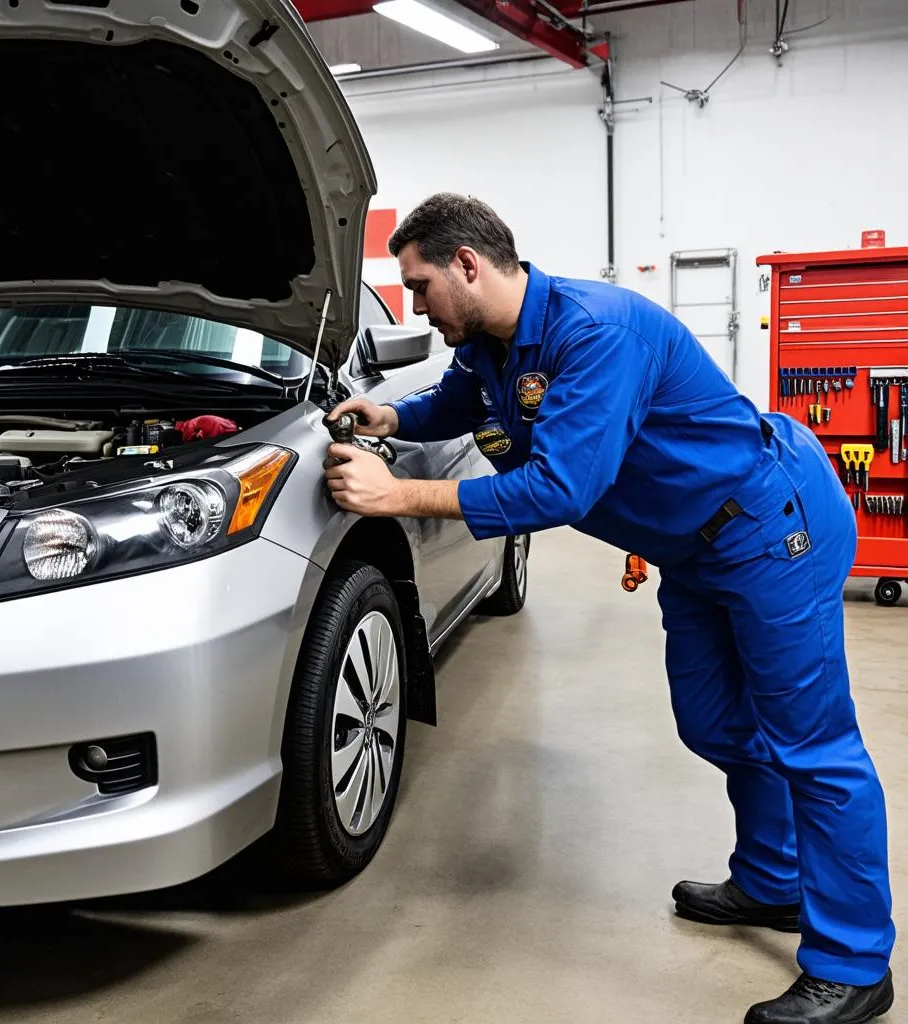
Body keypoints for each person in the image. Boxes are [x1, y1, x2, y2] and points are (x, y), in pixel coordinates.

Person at [323, 192, 896, 1024]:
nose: (415, 305)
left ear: (468, 266)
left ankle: (855, 961)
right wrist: (393, 414)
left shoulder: (596, 332)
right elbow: (459, 402)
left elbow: (561, 487)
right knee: (712, 722)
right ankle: (775, 883)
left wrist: (396, 492)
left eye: (419, 287)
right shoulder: (492, 340)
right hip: (693, 548)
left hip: (770, 528)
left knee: (814, 746)